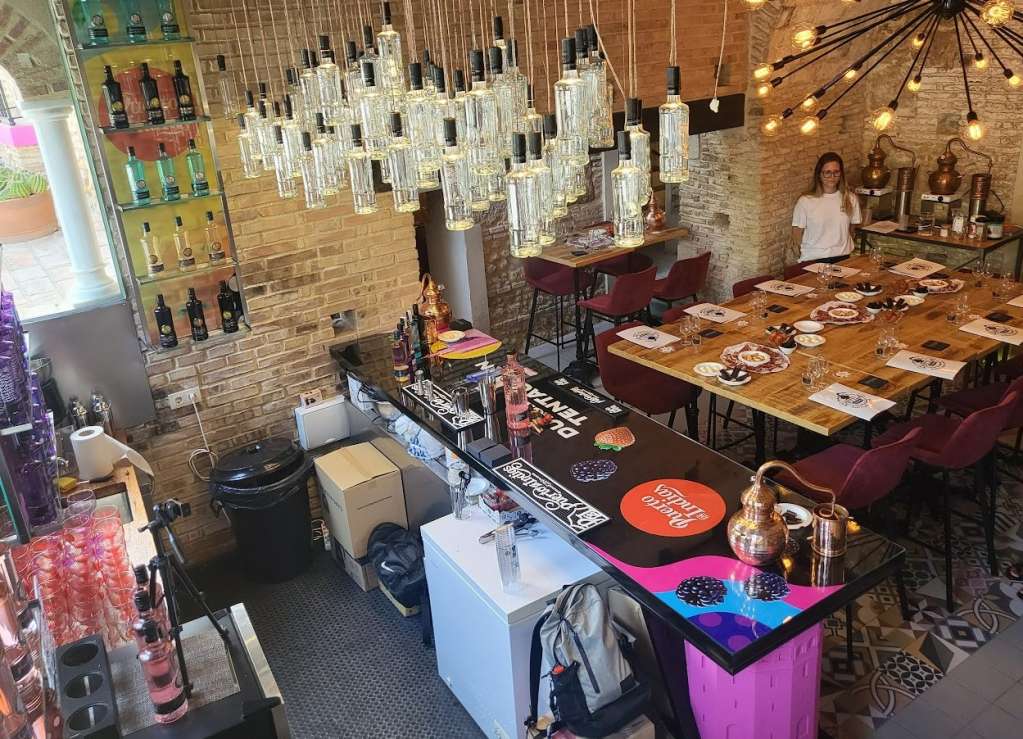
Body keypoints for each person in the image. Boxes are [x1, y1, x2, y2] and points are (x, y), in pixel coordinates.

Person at [791, 152, 862, 263]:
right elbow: (796, 235)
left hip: (843, 258)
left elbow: (852, 229)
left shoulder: (850, 199)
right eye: (827, 173)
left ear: (841, 174)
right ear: (819, 174)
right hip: (813, 259)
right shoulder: (805, 201)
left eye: (836, 172)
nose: (832, 177)